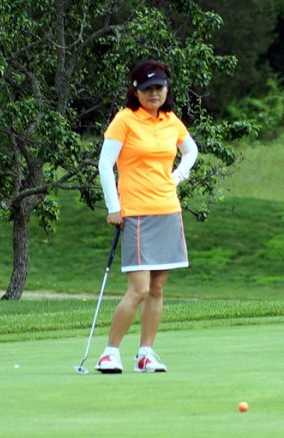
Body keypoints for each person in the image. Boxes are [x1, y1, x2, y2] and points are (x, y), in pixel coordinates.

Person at [96, 59, 198, 373]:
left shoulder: (171, 120)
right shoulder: (125, 120)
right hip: (137, 213)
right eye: (147, 88)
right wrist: (113, 207)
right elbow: (105, 164)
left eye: (159, 87)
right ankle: (110, 353)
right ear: (136, 91)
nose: (154, 93)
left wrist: (178, 176)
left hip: (167, 210)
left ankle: (145, 353)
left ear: (166, 89)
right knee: (139, 289)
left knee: (157, 289)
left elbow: (191, 151)